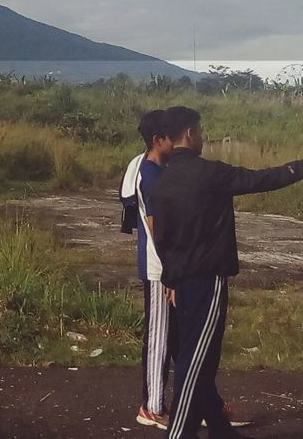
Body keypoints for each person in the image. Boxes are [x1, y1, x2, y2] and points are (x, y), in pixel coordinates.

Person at [148, 105, 303, 439]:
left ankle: (219, 428)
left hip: (181, 281)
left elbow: (162, 239)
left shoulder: (162, 181)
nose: (202, 136)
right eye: (200, 131)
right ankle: (179, 434)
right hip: (207, 279)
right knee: (194, 362)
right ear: (190, 133)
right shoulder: (209, 173)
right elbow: (261, 179)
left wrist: (170, 278)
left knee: (201, 356)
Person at [119, 109, 176, 429]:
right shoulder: (152, 177)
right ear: (159, 140)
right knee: (159, 338)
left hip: (160, 265)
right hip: (158, 268)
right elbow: (154, 227)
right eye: (174, 135)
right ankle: (152, 407)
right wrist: (171, 270)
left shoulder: (140, 164)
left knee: (171, 337)